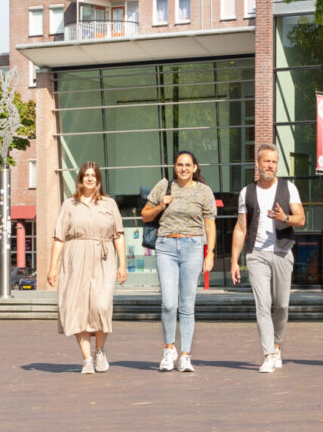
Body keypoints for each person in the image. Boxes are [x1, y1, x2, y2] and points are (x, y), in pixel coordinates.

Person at [230, 143, 305, 373]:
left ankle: (277, 344)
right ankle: (268, 354)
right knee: (262, 305)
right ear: (258, 163)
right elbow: (241, 227)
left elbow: (301, 219)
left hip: (282, 251)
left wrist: (285, 217)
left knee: (281, 305)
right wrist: (234, 261)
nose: (270, 165)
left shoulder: (288, 187)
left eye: (274, 162)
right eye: (266, 161)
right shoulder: (247, 192)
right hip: (256, 255)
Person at [46, 161, 126, 374]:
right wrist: (52, 267)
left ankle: (100, 350)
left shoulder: (109, 204)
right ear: (80, 179)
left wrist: (123, 264)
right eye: (86, 175)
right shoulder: (69, 205)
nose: (89, 178)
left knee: (101, 306)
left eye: (93, 175)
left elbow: (118, 235)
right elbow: (59, 238)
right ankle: (87, 359)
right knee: (78, 307)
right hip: (75, 258)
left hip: (103, 257)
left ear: (98, 179)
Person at [141, 150, 215, 373]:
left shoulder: (203, 191)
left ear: (194, 168)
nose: (183, 168)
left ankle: (185, 355)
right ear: (175, 167)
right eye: (179, 164)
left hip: (192, 247)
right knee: (168, 303)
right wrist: (160, 205)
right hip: (166, 247)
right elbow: (145, 215)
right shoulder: (163, 186)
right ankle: (169, 349)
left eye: (187, 165)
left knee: (187, 304)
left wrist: (209, 252)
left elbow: (210, 224)